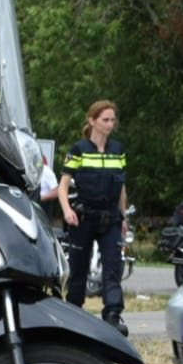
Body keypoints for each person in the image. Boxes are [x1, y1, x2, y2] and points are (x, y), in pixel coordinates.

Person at [58, 100, 129, 335]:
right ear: (92, 121)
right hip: (83, 217)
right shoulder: (79, 149)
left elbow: (121, 188)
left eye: (112, 120)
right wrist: (67, 210)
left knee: (112, 268)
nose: (110, 124)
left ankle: (112, 316)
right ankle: (73, 314)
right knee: (78, 269)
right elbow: (63, 187)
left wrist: (124, 216)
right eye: (105, 120)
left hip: (111, 217)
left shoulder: (117, 150)